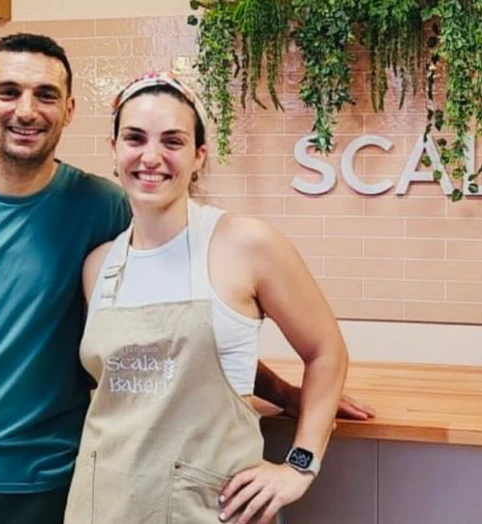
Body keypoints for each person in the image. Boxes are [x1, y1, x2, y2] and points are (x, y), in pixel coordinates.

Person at [0, 34, 372, 524]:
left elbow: (189, 332)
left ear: (69, 109)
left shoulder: (108, 209)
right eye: (9, 91)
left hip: (45, 480)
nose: (26, 110)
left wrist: (291, 403)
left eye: (46, 95)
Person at [63, 71, 350, 524]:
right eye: (134, 138)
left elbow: (326, 352)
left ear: (198, 156)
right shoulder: (99, 266)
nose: (151, 157)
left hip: (209, 510)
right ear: (114, 150)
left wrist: (300, 465)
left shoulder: (246, 244)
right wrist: (281, 392)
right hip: (103, 505)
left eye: (172, 141)